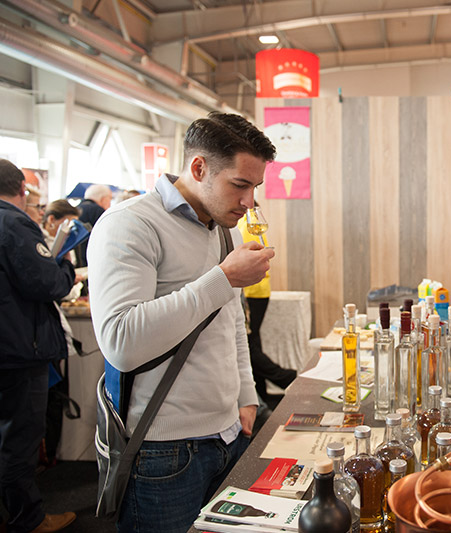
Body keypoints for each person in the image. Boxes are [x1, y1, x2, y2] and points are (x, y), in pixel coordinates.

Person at [88, 112, 277, 533]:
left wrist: (246, 394)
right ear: (198, 168)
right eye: (240, 185)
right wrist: (224, 278)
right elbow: (120, 342)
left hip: (228, 433)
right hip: (163, 449)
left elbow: (230, 322)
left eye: (255, 187)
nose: (250, 203)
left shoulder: (218, 228)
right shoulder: (130, 224)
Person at [0, 159, 77, 533]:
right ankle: (27, 519)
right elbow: (48, 283)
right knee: (19, 438)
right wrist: (63, 266)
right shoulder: (14, 224)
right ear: (22, 190)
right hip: (16, 349)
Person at [236, 206, 297, 407]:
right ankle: (260, 395)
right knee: (253, 342)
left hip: (251, 292)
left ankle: (287, 377)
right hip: (258, 291)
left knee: (247, 344)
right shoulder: (246, 223)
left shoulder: (244, 224)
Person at [74, 184, 112, 267]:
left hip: (79, 259)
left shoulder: (76, 209)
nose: (110, 202)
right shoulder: (98, 211)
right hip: (92, 260)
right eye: (110, 198)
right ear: (103, 199)